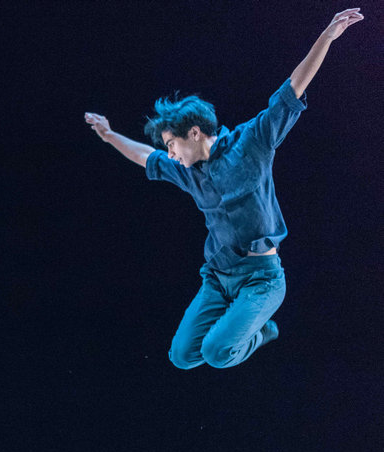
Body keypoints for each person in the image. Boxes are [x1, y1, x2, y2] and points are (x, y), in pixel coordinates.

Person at [84, 8, 363, 370]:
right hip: (217, 277)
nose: (170, 153)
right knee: (183, 357)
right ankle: (237, 332)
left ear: (195, 133)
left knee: (217, 353)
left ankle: (263, 333)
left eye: (172, 143)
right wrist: (108, 136)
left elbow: (292, 90)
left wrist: (326, 36)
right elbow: (144, 156)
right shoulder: (188, 172)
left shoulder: (252, 142)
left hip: (261, 279)